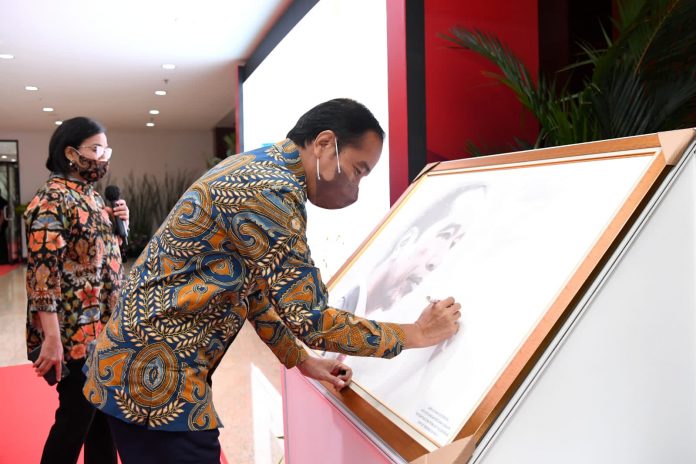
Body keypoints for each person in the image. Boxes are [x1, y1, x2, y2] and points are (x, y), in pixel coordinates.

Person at [83, 98, 462, 464]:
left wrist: (299, 360)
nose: (356, 189)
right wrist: (417, 333)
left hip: (134, 361)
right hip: (155, 378)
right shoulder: (271, 192)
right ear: (325, 144)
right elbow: (313, 320)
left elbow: (253, 292)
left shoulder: (258, 167)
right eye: (358, 170)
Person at [25, 117, 129, 464]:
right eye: (96, 149)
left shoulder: (94, 198)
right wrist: (52, 340)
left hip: (105, 329)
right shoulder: (51, 199)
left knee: (102, 423)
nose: (103, 156)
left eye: (106, 149)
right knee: (74, 422)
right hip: (75, 333)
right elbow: (42, 275)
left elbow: (104, 260)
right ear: (71, 153)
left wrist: (121, 226)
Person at [337, 183, 487, 318]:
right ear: (406, 241)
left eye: (453, 244)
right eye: (444, 235)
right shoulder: (335, 314)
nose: (437, 262)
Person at [0, 193, 8, 263]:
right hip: (4, 223)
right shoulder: (4, 201)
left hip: (1, 223)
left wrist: (0, 224)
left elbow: (2, 214)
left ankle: (3, 258)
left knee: (2, 241)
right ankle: (4, 258)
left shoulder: (1, 201)